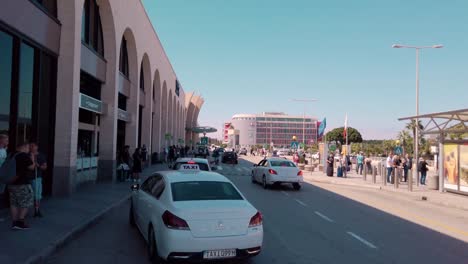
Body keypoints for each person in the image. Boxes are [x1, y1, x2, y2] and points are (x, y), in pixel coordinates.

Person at [9, 140, 35, 230]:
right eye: (28, 147)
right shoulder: (24, 155)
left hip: (11, 183)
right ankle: (21, 221)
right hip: (22, 183)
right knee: (27, 201)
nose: (28, 149)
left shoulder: (12, 154)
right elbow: (32, 167)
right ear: (24, 147)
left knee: (14, 203)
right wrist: (32, 156)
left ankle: (14, 222)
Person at [30, 143, 47, 217]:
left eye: (33, 146)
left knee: (37, 195)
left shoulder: (41, 156)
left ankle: (37, 210)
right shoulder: (27, 155)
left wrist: (38, 165)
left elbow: (45, 167)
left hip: (37, 178)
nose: (31, 147)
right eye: (31, 146)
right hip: (27, 178)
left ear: (37, 147)